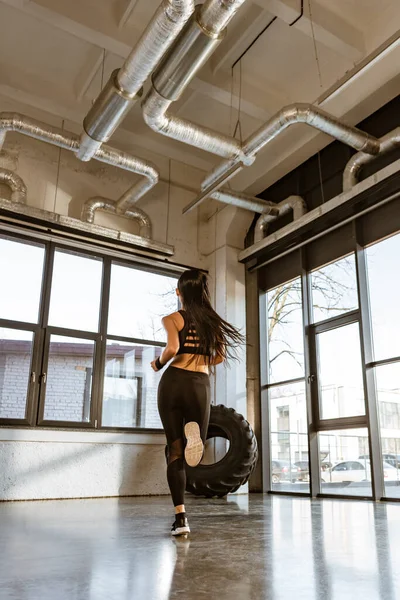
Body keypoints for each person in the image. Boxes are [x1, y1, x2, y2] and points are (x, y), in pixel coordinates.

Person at [151, 268, 244, 536]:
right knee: (194, 440)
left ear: (179, 292)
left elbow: (172, 349)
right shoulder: (213, 322)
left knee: (174, 451)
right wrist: (202, 359)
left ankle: (181, 519)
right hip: (198, 384)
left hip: (172, 382)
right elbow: (220, 357)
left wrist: (157, 364)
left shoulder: (172, 318)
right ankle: (198, 438)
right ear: (203, 293)